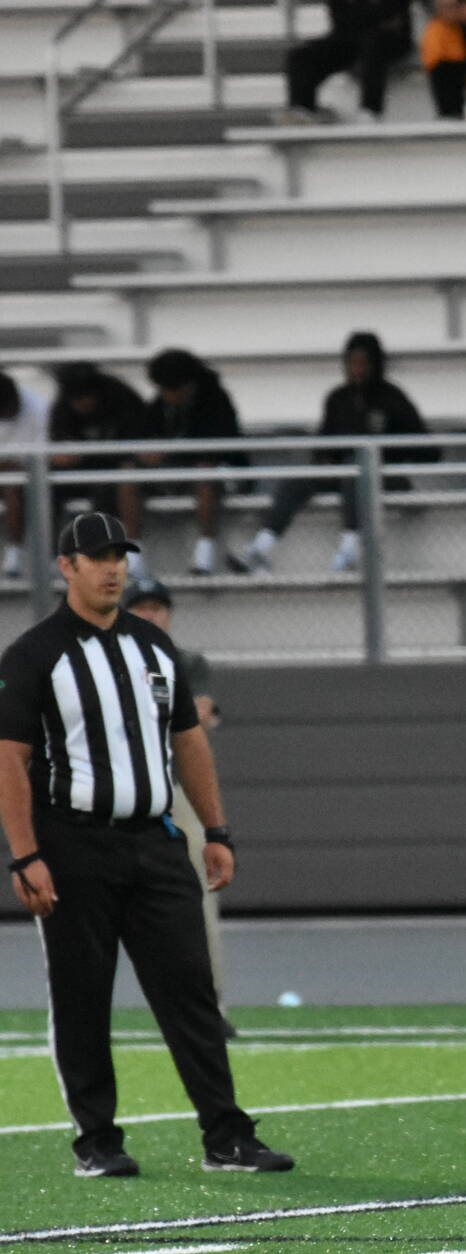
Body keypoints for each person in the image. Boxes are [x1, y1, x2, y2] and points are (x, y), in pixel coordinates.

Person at [0, 513, 290, 1177]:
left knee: (189, 986)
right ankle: (96, 1138)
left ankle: (226, 1133)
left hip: (155, 842)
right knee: (82, 993)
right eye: (97, 557)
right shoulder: (34, 654)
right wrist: (25, 852)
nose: (112, 569)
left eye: (119, 556)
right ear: (66, 567)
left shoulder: (153, 648)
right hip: (73, 844)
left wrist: (215, 831)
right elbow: (8, 759)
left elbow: (188, 741)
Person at [121, 576, 234, 1035]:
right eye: (142, 607)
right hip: (122, 792)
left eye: (158, 607)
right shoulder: (111, 660)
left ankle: (211, 1006)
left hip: (174, 790)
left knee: (197, 900)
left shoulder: (184, 662)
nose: (152, 615)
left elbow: (198, 716)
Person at [243, 333, 437, 575]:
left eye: (362, 363)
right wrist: (324, 459)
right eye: (351, 363)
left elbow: (427, 448)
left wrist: (391, 453)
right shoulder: (338, 399)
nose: (357, 370)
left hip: (385, 475)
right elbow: (324, 443)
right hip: (345, 473)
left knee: (354, 467)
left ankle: (350, 547)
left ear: (375, 365)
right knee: (296, 483)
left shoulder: (393, 399)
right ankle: (262, 546)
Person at [140, 349, 245, 576]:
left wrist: (168, 452)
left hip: (223, 470)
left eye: (170, 389)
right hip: (176, 471)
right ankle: (132, 554)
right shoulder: (161, 405)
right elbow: (147, 434)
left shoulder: (216, 400)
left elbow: (217, 448)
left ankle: (205, 552)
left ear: (186, 385)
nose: (166, 394)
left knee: (205, 472)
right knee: (127, 475)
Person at [47, 364, 150, 571]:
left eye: (85, 397)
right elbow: (58, 442)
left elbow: (139, 444)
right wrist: (63, 456)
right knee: (47, 486)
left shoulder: (123, 398)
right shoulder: (63, 406)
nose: (82, 404)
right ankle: (51, 555)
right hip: (83, 469)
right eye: (76, 400)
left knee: (114, 487)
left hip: (118, 467)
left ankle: (126, 554)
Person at [283, 0, 413, 123]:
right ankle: (302, 109)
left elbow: (393, 13)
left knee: (373, 45)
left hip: (391, 39)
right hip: (349, 38)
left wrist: (360, 15)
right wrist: (371, 16)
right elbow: (340, 19)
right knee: (301, 55)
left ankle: (370, 111)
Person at [0, 369, 51, 578]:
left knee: (14, 484)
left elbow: (42, 455)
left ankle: (15, 552)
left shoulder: (40, 408)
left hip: (25, 475)